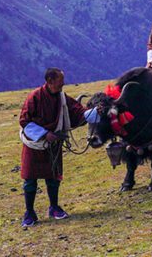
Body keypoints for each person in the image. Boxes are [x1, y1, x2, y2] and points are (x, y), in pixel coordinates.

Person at [18, 68, 99, 228]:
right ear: (50, 81)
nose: (63, 83)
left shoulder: (62, 97)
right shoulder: (34, 97)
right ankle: (29, 213)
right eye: (60, 81)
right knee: (30, 180)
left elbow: (77, 112)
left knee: (53, 177)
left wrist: (96, 112)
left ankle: (54, 207)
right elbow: (24, 121)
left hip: (54, 145)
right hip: (34, 144)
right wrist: (44, 134)